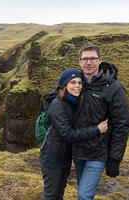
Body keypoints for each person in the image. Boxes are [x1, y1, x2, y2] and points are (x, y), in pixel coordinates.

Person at [72, 44, 129, 200]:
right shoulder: (75, 84)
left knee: (83, 195)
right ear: (79, 62)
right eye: (85, 59)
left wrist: (115, 159)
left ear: (100, 60)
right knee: (85, 193)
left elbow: (122, 125)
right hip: (77, 151)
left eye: (93, 58)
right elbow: (58, 98)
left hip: (98, 152)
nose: (89, 62)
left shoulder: (113, 88)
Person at [39, 68, 108, 200]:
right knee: (51, 194)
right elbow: (68, 134)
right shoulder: (57, 104)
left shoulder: (72, 102)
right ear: (65, 85)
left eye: (80, 83)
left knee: (59, 193)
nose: (77, 86)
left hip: (64, 157)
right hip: (52, 157)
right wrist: (97, 129)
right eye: (72, 82)